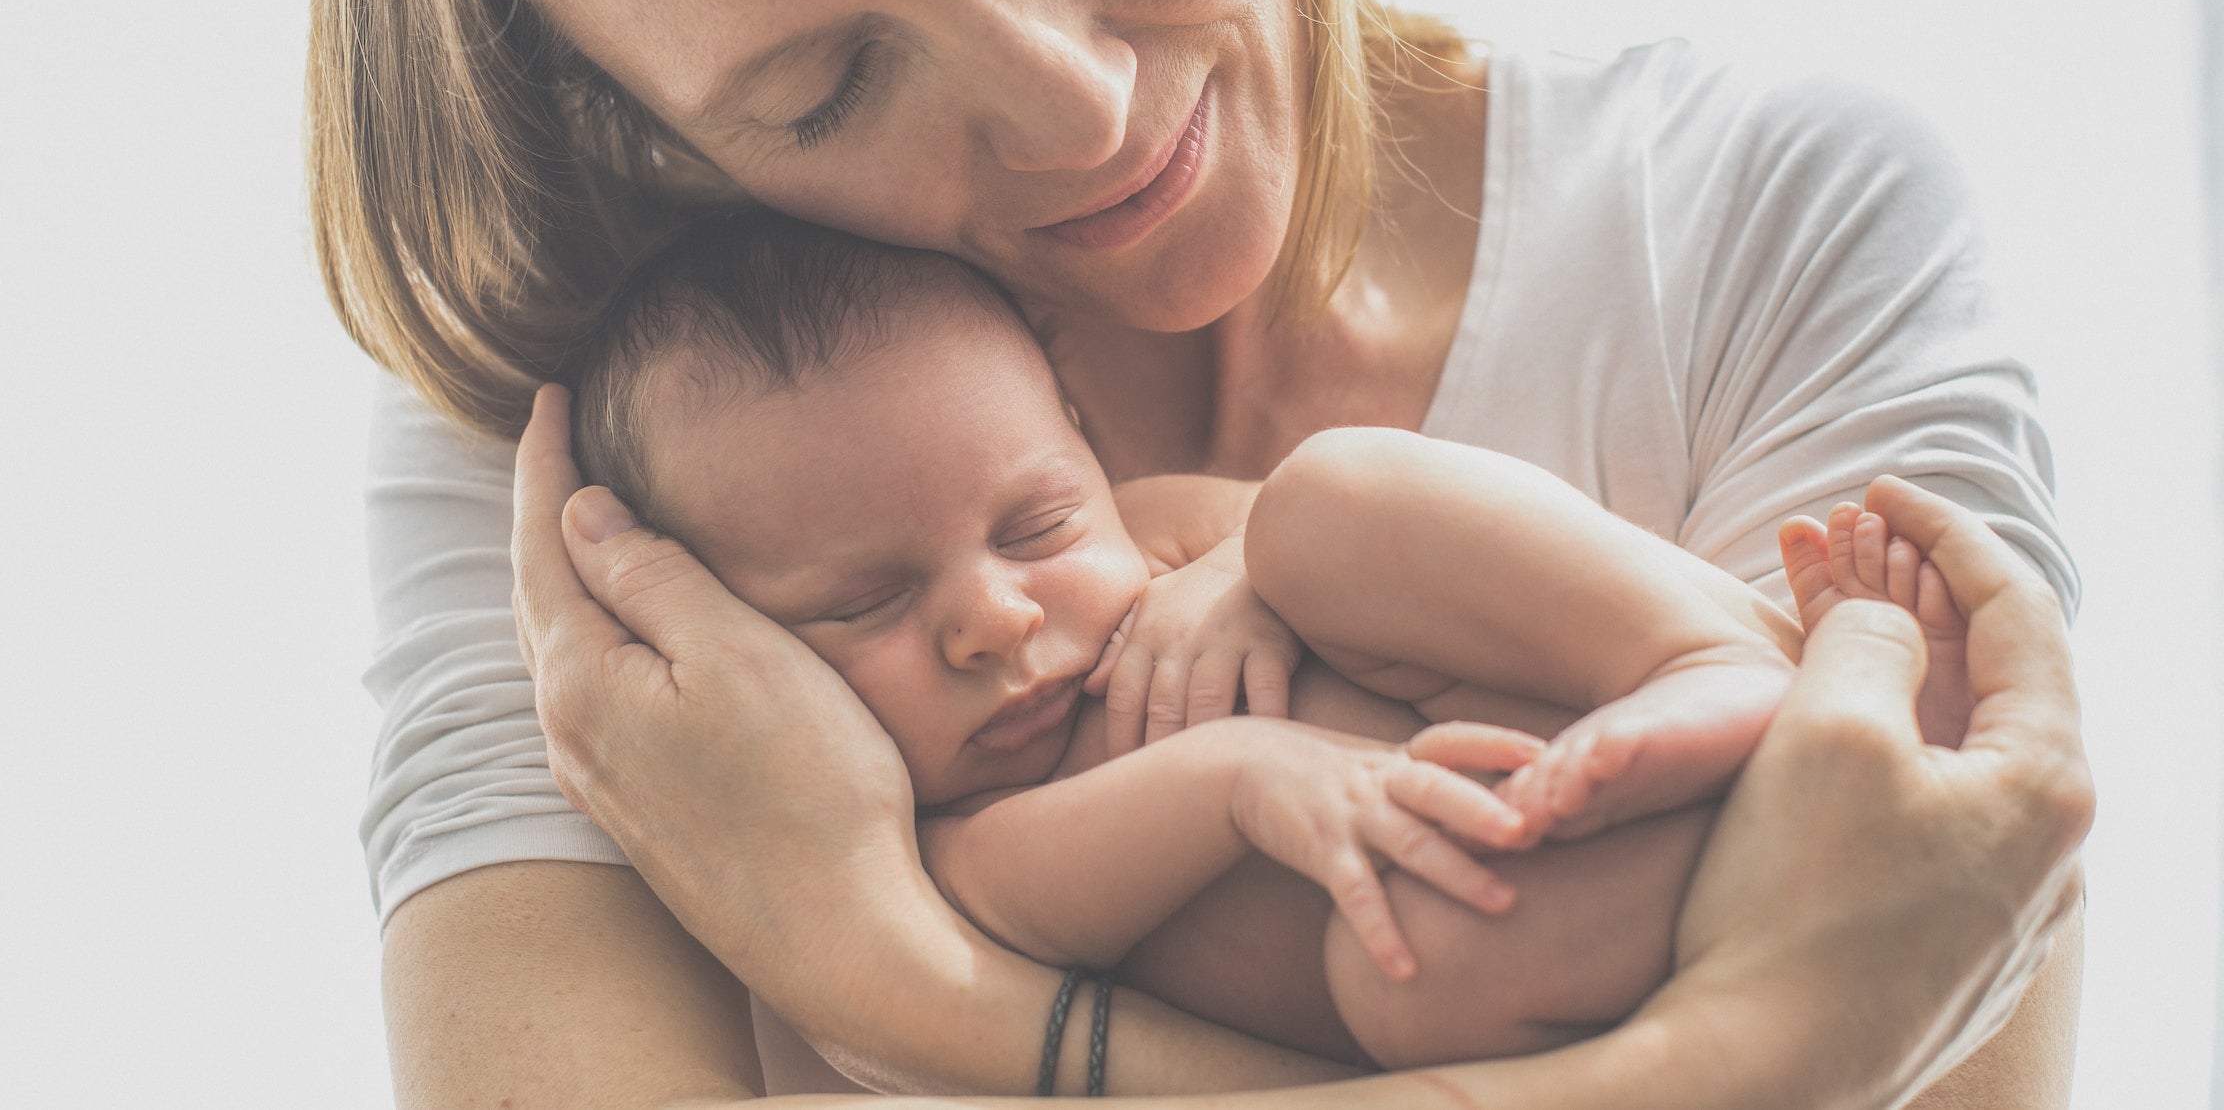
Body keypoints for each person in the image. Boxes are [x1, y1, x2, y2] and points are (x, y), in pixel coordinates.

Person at [310, 0, 2092, 1101]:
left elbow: (1940, 944)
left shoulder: (1749, 221)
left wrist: (913, 988)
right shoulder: (615, 463)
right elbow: (1846, 986)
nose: (1076, 105)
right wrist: (1752, 1048)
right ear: (633, 122)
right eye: (823, 87)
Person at [564, 209, 1808, 1066]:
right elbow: (1024, 911)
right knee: (1411, 976)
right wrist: (1244, 778)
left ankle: (1703, 658)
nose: (997, 616)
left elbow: (1336, 542)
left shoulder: (1154, 532)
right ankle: (1742, 832)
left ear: (1081, 435)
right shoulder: (923, 848)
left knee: (1329, 504)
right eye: (863, 605)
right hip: (1533, 916)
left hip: (1576, 725)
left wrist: (1239, 572)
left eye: (1038, 521)